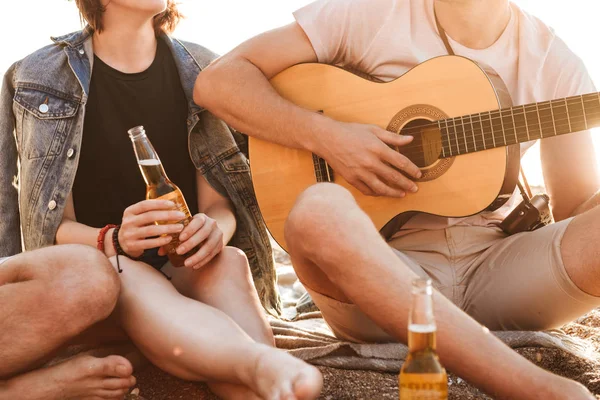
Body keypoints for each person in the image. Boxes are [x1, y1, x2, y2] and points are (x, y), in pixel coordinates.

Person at [194, 0, 600, 398]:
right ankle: (529, 386)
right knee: (317, 208)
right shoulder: (372, 13)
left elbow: (575, 211)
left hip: (507, 276)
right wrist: (328, 137)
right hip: (378, 279)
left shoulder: (554, 60)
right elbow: (218, 82)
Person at [0, 0, 322, 399]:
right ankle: (259, 362)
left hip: (182, 269)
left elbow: (219, 206)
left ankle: (272, 383)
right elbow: (49, 230)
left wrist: (213, 230)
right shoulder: (42, 77)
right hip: (104, 280)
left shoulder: (204, 68)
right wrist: (116, 239)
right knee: (130, 275)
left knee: (229, 261)